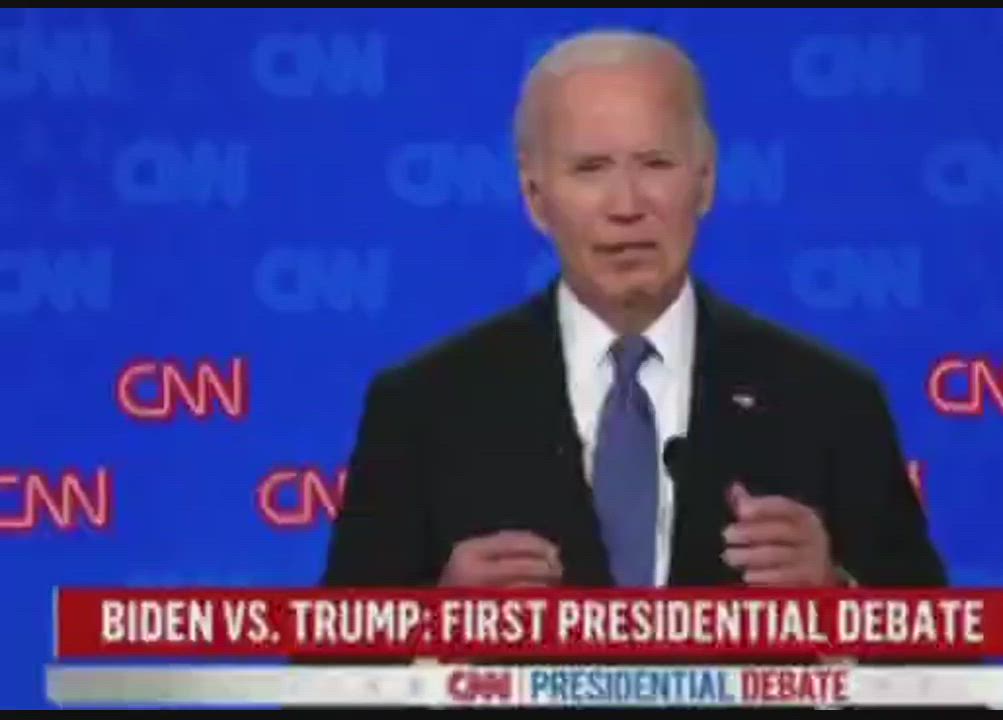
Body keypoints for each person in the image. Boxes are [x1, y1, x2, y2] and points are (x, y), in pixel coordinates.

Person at [320, 29, 946, 592]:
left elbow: (941, 666)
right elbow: (330, 669)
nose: (626, 205)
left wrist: (838, 597)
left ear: (705, 180)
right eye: (590, 169)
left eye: (655, 164)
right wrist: (435, 623)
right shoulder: (423, 407)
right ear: (536, 198)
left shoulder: (831, 401)